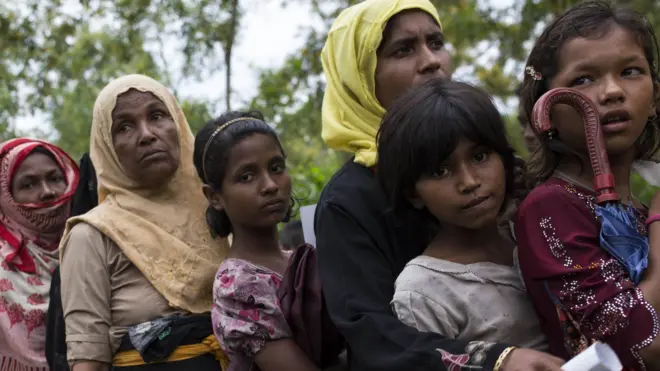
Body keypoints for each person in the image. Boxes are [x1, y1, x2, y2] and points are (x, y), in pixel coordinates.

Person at [315, 0, 561, 369]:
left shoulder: (502, 165)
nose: (431, 60)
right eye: (404, 49)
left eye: (435, 42)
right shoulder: (348, 202)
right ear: (360, 76)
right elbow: (375, 335)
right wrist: (495, 359)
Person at [515, 1, 660, 369]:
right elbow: (642, 346)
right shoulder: (550, 209)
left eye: (630, 71)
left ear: (655, 97)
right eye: (583, 79)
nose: (611, 91)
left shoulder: (640, 213)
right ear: (545, 107)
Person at [59, 74, 229, 371]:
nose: (147, 134)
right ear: (107, 147)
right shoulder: (91, 236)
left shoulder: (220, 211)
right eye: (124, 126)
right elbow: (89, 362)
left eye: (157, 115)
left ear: (177, 122)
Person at [377, 79, 550, 352]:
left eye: (480, 156)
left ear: (503, 158)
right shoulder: (424, 292)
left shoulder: (537, 231)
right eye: (440, 172)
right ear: (413, 193)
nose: (469, 182)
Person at [196, 111, 343, 371]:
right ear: (214, 196)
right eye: (246, 177)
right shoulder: (238, 286)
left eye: (276, 168)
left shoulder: (298, 258)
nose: (270, 185)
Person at [0, 138, 79, 370]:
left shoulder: (96, 247)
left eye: (55, 179)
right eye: (28, 185)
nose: (47, 192)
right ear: (5, 196)